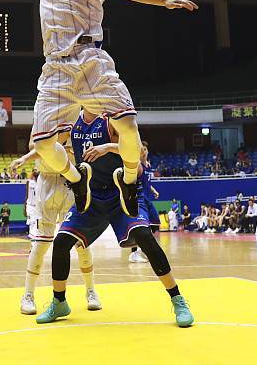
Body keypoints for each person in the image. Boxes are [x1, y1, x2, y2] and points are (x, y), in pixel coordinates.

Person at [0, 0, 197, 232]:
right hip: (55, 67)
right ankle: (77, 179)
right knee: (42, 143)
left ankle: (129, 181)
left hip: (89, 58)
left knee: (128, 125)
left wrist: (163, 0)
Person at [36, 108, 193, 327]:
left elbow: (136, 157)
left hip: (121, 192)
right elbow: (44, 148)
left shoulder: (110, 120)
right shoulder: (72, 124)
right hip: (92, 194)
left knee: (144, 237)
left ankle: (178, 300)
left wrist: (107, 147)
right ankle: (59, 301)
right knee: (61, 242)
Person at [10, 140, 101, 315]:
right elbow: (35, 146)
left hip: (73, 181)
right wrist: (26, 158)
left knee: (81, 242)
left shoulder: (79, 121)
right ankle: (28, 295)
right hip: (47, 180)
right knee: (41, 243)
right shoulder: (45, 116)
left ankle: (91, 291)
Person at [130, 142, 160, 263]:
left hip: (148, 198)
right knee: (138, 226)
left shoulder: (148, 165)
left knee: (155, 224)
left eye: (145, 149)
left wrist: (154, 190)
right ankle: (134, 253)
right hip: (139, 199)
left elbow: (147, 182)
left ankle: (143, 248)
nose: (144, 151)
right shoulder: (136, 165)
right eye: (142, 149)